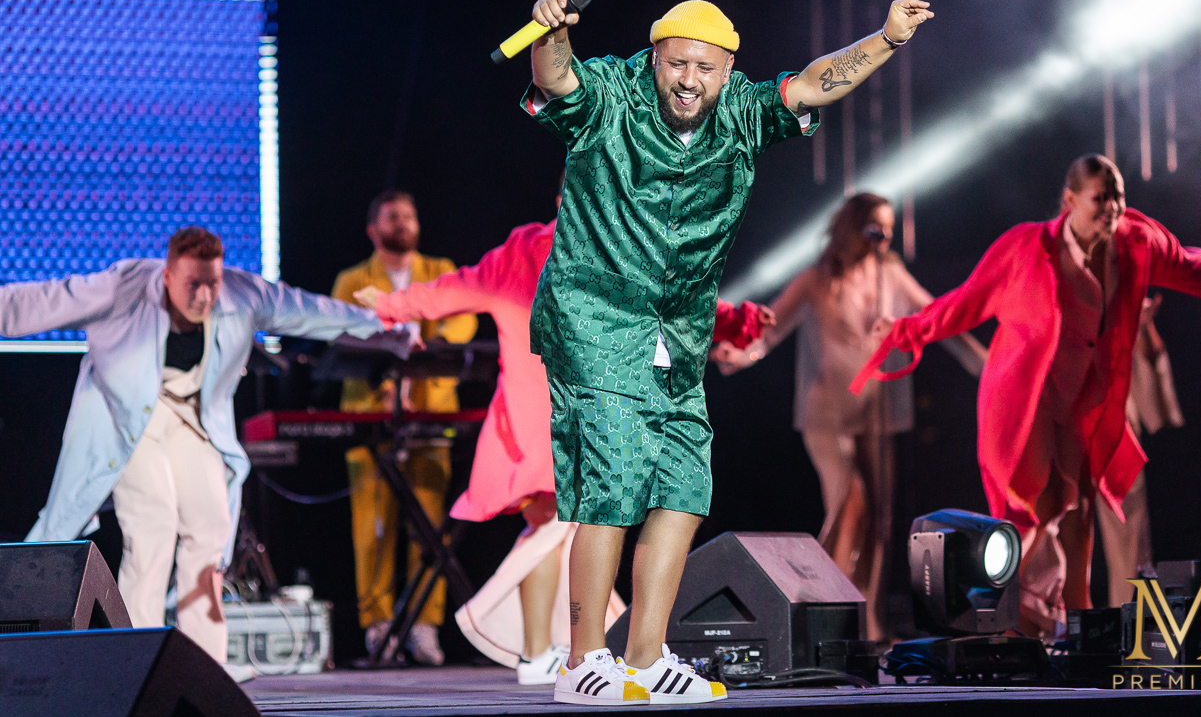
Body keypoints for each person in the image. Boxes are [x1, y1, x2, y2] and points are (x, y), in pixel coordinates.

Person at [521, 0, 933, 704]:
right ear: (655, 58)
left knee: (684, 486)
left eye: (705, 68)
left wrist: (888, 38)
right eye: (677, 64)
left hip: (677, 333)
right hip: (594, 318)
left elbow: (814, 83)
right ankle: (582, 661)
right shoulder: (612, 95)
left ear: (727, 69)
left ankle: (644, 657)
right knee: (613, 479)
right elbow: (557, 80)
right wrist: (549, 32)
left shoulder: (741, 111)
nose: (689, 80)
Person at [355, 186, 774, 686]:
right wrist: (392, 304)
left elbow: (679, 301)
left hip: (567, 415)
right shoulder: (554, 248)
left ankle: (542, 651)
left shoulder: (607, 243)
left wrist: (739, 323)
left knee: (553, 529)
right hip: (556, 417)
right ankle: (540, 648)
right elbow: (456, 288)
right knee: (553, 526)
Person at [850, 155, 1201, 640]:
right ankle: (993, 619)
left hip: (1083, 403)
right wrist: (907, 329)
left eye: (1118, 197)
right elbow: (967, 301)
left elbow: (1190, 266)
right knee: (1028, 507)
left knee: (1076, 513)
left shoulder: (1136, 241)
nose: (1113, 208)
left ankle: (1080, 622)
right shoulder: (1026, 247)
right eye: (1101, 198)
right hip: (1026, 398)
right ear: (1070, 201)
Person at [2, 227, 383, 673]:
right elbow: (42, 300)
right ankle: (136, 662)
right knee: (153, 526)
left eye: (211, 283)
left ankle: (205, 668)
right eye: (192, 284)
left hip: (193, 418)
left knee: (210, 530)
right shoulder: (124, 287)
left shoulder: (240, 293)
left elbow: (308, 311)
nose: (204, 296)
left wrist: (385, 326)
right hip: (129, 420)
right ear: (167, 277)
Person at [713, 192, 985, 642]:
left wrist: (984, 363)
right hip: (826, 413)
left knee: (879, 517)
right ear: (852, 229)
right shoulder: (816, 279)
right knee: (849, 501)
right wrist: (738, 356)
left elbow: (935, 318)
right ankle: (820, 610)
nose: (883, 239)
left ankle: (865, 620)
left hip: (874, 412)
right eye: (875, 228)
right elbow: (771, 329)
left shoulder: (890, 275)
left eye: (889, 230)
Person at [331, 190, 478, 665]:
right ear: (373, 229)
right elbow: (341, 329)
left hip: (431, 411)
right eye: (393, 216)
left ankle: (424, 625)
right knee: (372, 526)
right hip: (372, 414)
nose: (404, 222)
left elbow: (464, 317)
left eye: (410, 215)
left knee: (429, 523)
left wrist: (432, 345)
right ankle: (378, 625)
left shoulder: (439, 270)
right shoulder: (353, 280)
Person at [1097, 293, 1183, 607]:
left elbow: (1151, 376)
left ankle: (1129, 622)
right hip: (1074, 430)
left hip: (1117, 440)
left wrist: (1143, 324)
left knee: (1130, 545)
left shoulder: (1121, 320)